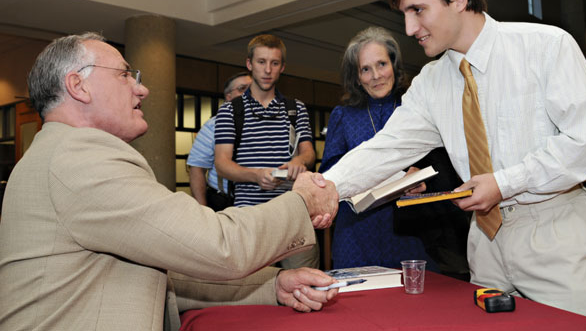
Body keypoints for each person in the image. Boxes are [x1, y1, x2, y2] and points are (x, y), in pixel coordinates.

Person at [323, 0, 586, 319]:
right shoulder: (430, 82)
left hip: (554, 232)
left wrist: (504, 183)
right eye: (404, 14)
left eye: (417, 10)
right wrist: (321, 189)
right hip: (483, 240)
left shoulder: (546, 46)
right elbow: (386, 148)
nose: (408, 29)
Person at [0, 32, 340, 331]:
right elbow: (218, 246)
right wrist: (303, 201)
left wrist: (273, 285)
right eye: (124, 75)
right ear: (78, 86)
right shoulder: (79, 156)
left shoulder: (61, 152)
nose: (142, 89)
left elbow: (157, 273)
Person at [320, 26, 438, 271]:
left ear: (394, 65)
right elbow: (330, 170)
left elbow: (444, 161)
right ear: (357, 76)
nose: (376, 75)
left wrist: (423, 177)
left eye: (382, 64)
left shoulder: (416, 107)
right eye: (365, 69)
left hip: (410, 229)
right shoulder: (343, 115)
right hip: (356, 229)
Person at [214, 34, 320, 269]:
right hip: (249, 216)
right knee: (253, 291)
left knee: (305, 286)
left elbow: (309, 153)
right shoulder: (230, 111)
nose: (267, 70)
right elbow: (222, 163)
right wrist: (255, 175)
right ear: (250, 64)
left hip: (294, 214)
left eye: (274, 63)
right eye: (261, 62)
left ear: (282, 67)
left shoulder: (296, 109)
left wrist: (299, 162)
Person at [187, 71, 251, 209]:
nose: (249, 93)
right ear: (229, 97)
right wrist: (203, 213)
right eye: (242, 89)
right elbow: (196, 169)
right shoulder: (214, 125)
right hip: (225, 202)